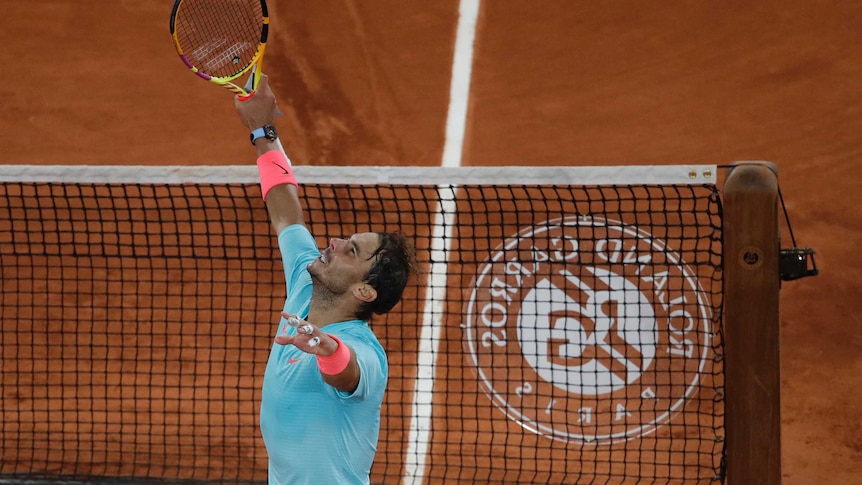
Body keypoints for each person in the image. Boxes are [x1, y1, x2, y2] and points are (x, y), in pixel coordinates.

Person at [234, 74, 418, 485]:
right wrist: (261, 131)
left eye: (351, 250)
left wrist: (325, 347)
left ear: (364, 291)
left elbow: (346, 370)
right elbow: (286, 212)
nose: (333, 242)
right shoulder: (305, 284)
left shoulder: (365, 354)